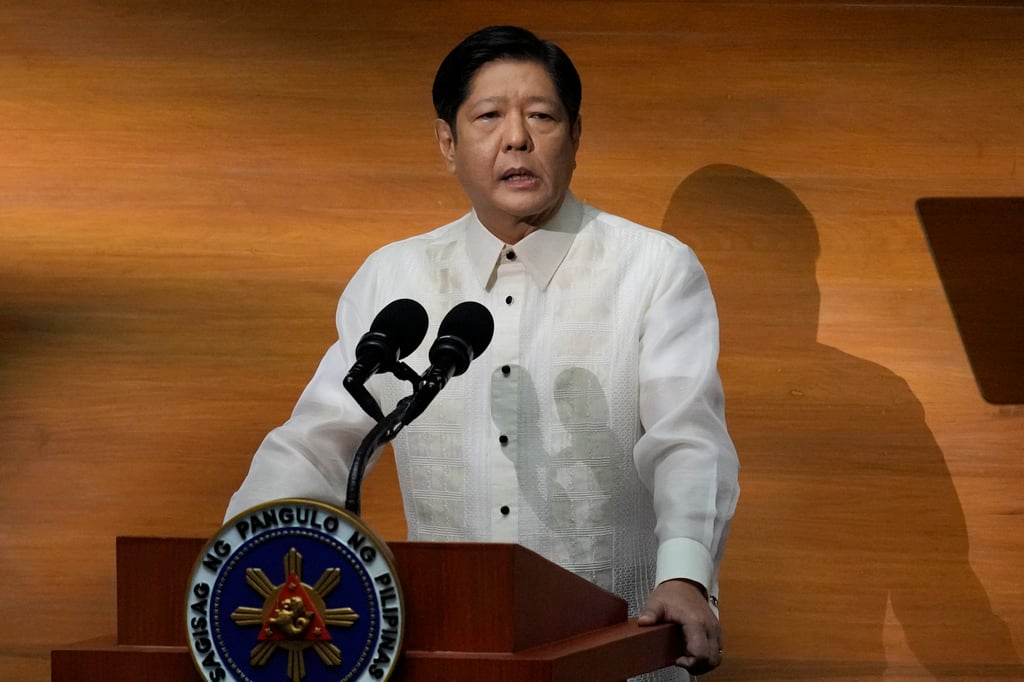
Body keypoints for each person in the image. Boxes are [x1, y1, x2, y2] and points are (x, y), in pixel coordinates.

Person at [226, 25, 739, 680]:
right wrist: (239, 557)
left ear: (575, 136)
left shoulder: (653, 270)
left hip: (615, 656)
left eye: (542, 116)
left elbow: (687, 440)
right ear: (449, 143)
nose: (517, 138)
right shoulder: (396, 279)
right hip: (446, 654)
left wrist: (687, 578)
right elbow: (319, 443)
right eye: (490, 116)